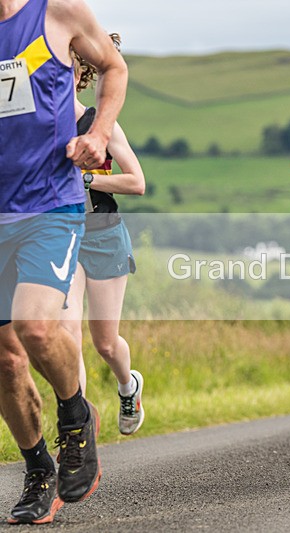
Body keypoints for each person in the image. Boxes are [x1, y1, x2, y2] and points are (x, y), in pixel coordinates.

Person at [0, 0, 127, 524]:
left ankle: (75, 416)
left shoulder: (58, 12)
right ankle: (37, 471)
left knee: (34, 327)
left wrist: (98, 134)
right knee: (5, 361)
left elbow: (115, 67)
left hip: (49, 204)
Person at [61, 33, 145, 436]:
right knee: (66, 335)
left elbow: (137, 182)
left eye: (67, 67)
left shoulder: (100, 123)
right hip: (60, 236)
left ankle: (128, 386)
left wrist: (88, 178)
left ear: (80, 74)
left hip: (103, 235)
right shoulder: (38, 130)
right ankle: (77, 428)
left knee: (105, 343)